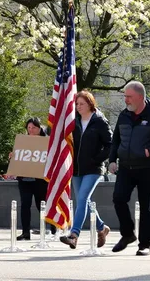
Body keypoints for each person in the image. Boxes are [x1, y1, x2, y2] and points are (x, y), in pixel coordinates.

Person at [108, 81, 150, 256]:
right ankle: (128, 234)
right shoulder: (123, 115)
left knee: (146, 206)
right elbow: (115, 141)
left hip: (147, 168)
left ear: (140, 97)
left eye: (129, 97)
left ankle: (145, 244)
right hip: (126, 167)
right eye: (125, 96)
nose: (126, 100)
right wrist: (112, 160)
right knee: (119, 198)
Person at [60, 91, 112, 249]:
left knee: (82, 199)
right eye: (77, 104)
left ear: (90, 104)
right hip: (76, 169)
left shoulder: (100, 122)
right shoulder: (74, 122)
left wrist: (96, 159)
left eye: (82, 104)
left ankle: (74, 234)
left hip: (94, 169)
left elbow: (110, 144)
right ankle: (102, 228)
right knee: (85, 201)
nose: (78, 107)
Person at [15, 117, 57, 240]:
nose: (31, 130)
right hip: (24, 180)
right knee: (25, 204)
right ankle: (25, 232)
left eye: (34, 127)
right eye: (29, 128)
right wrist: (13, 156)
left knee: (42, 204)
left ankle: (52, 227)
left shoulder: (46, 142)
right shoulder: (22, 141)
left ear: (40, 128)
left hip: (40, 180)